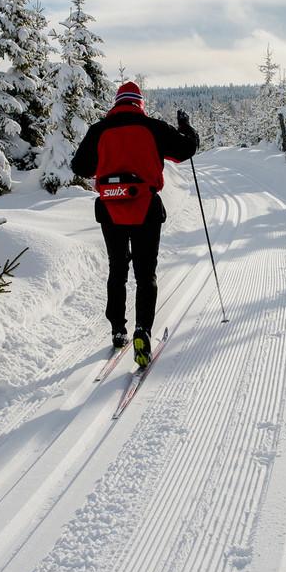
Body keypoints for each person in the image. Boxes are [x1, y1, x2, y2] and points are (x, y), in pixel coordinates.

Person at [71, 81, 199, 367]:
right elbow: (186, 149)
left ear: (117, 103)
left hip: (109, 209)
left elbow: (80, 167)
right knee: (145, 272)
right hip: (145, 208)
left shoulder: (99, 130)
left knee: (117, 268)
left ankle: (118, 329)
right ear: (139, 103)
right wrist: (185, 126)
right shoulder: (153, 127)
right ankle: (143, 330)